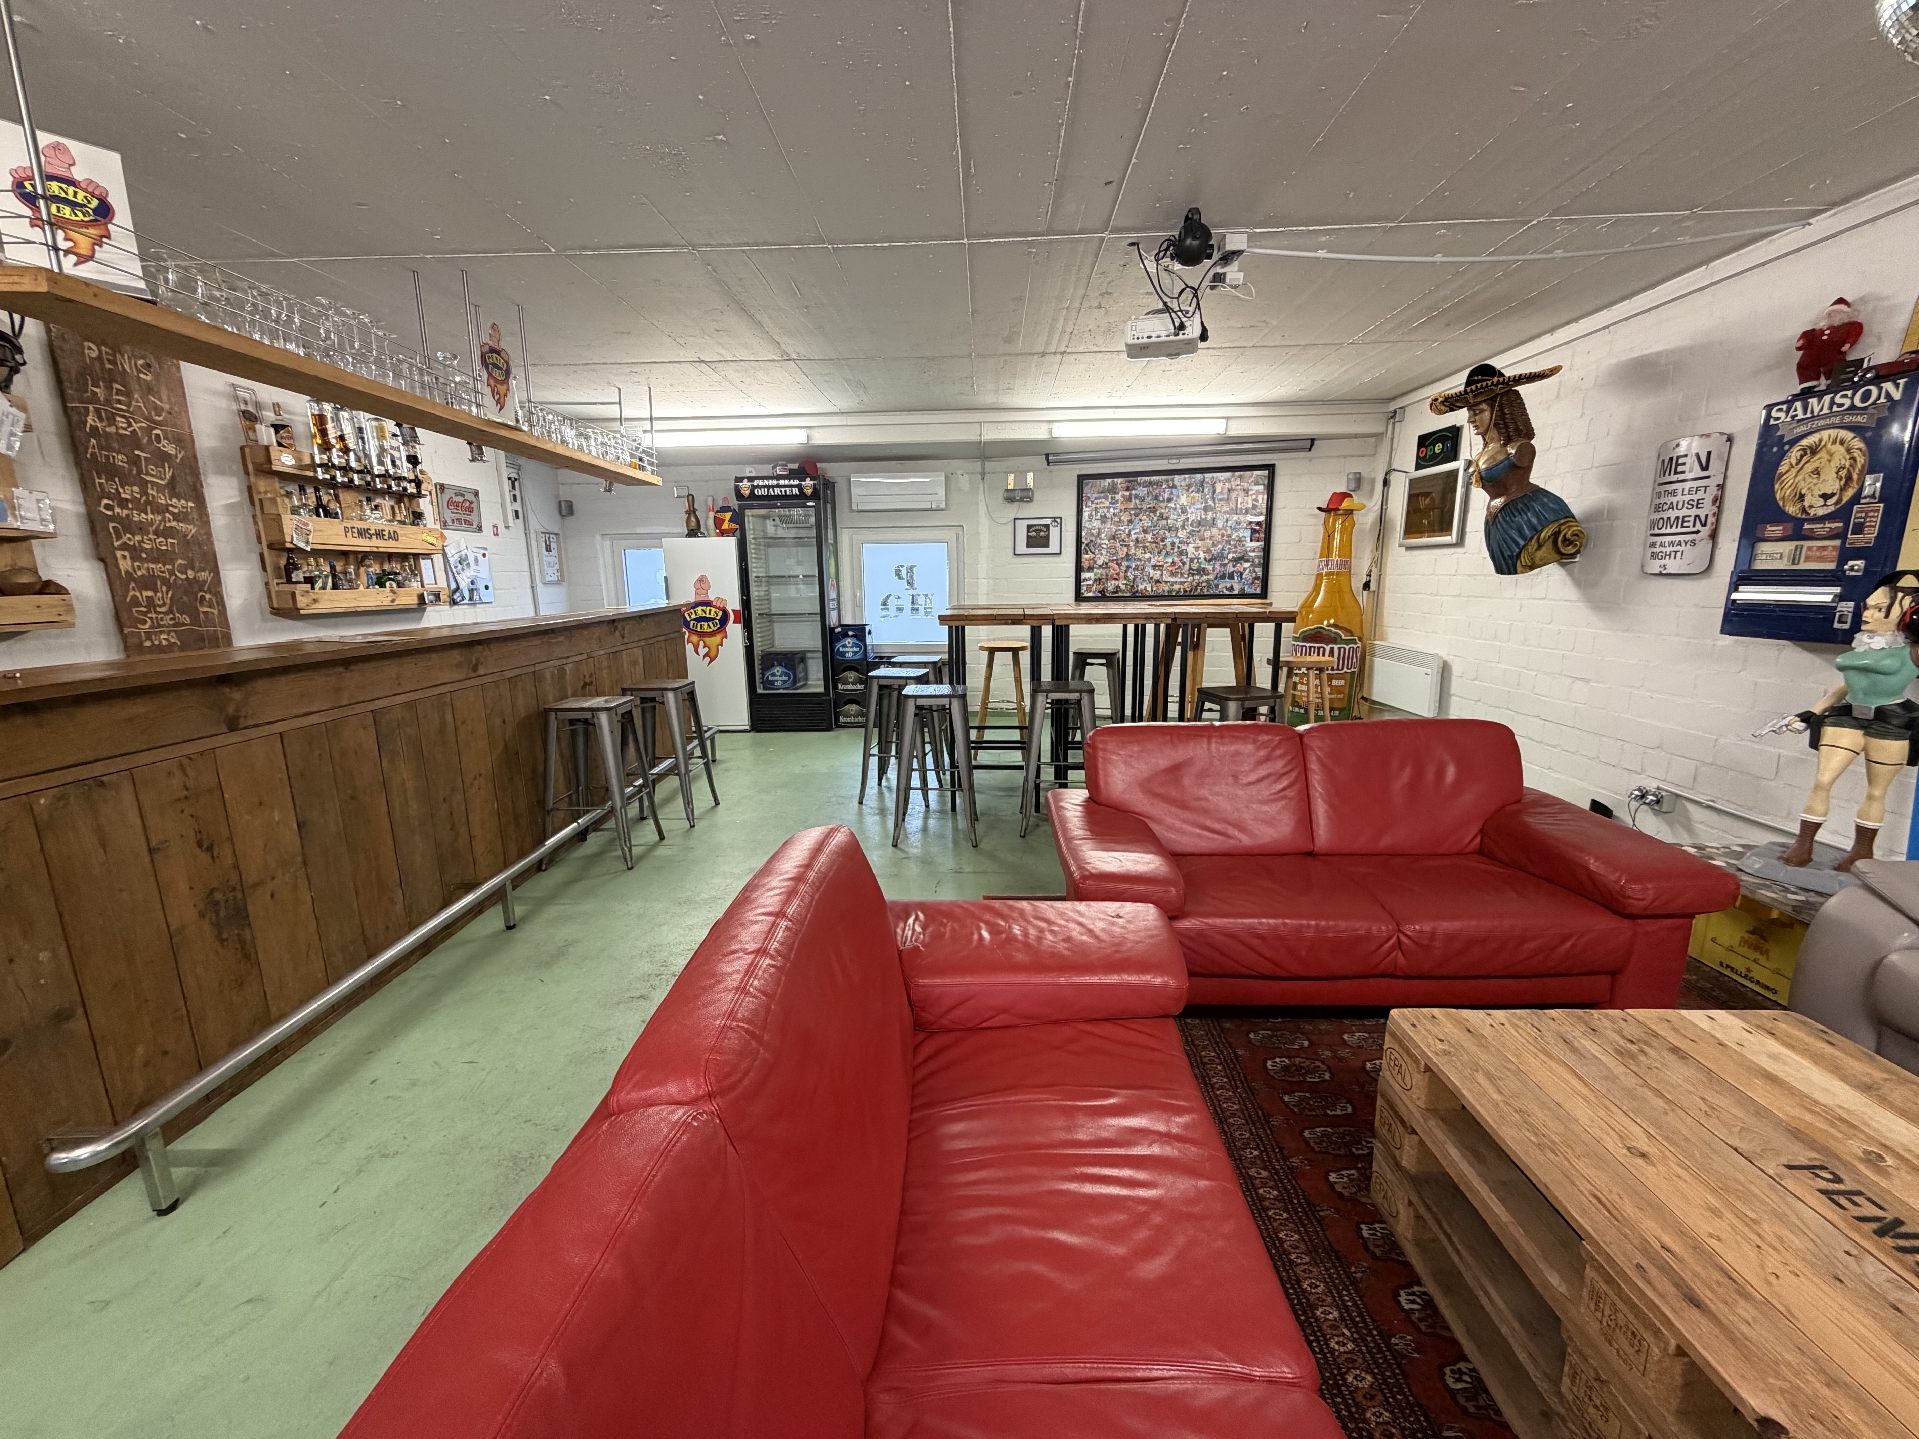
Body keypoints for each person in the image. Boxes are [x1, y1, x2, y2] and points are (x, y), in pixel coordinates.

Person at [1769, 572, 1919, 871]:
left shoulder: (1912, 652)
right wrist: (1812, 712)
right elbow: (1847, 686)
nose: (1868, 613)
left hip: (1890, 722)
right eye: (1868, 606)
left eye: (1880, 608)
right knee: (1823, 781)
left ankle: (1861, 852)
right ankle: (1803, 845)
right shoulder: (1863, 645)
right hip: (1848, 716)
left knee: (1876, 791)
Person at [1429, 362, 1585, 575]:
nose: (1471, 419)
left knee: (1528, 555)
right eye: (1469, 412)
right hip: (1498, 520)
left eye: (1478, 411)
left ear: (1498, 409)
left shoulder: (1518, 449)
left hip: (1529, 514)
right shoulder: (1483, 454)